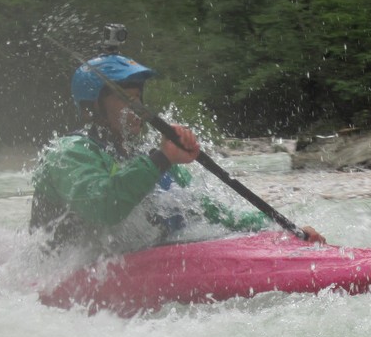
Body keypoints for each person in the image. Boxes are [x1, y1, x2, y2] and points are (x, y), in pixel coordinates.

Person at [29, 52, 325, 255]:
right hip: (64, 270)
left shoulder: (143, 157)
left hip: (124, 262)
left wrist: (282, 231)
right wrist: (163, 158)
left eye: (138, 99)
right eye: (125, 100)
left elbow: (208, 212)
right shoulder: (69, 153)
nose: (137, 110)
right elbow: (103, 207)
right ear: (92, 109)